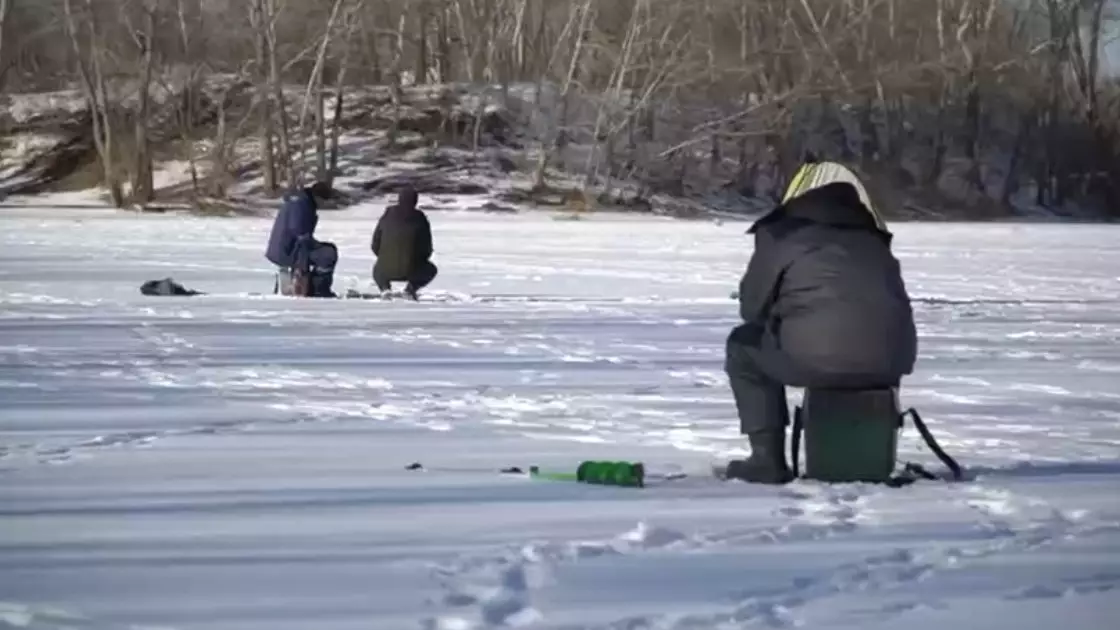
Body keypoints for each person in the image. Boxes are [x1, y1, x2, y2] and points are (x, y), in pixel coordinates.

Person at [723, 166, 917, 484]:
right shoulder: (874, 238)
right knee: (865, 346)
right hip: (890, 362)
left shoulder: (781, 234)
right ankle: (868, 455)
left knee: (743, 346)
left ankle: (767, 459)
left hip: (815, 360)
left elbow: (751, 309)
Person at [265, 182, 338, 298]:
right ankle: (319, 290)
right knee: (328, 254)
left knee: (327, 250)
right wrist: (314, 248)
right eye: (324, 201)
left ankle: (313, 286)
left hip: (285, 248)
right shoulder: (301, 205)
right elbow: (299, 233)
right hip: (289, 251)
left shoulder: (302, 201)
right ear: (318, 197)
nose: (324, 204)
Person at [371, 186, 437, 299]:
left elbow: (375, 244)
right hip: (412, 269)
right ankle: (410, 289)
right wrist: (417, 259)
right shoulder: (420, 218)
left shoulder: (387, 216)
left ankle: (385, 289)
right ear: (415, 201)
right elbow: (427, 248)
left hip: (386, 269)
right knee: (431, 270)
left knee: (378, 268)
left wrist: (385, 256)